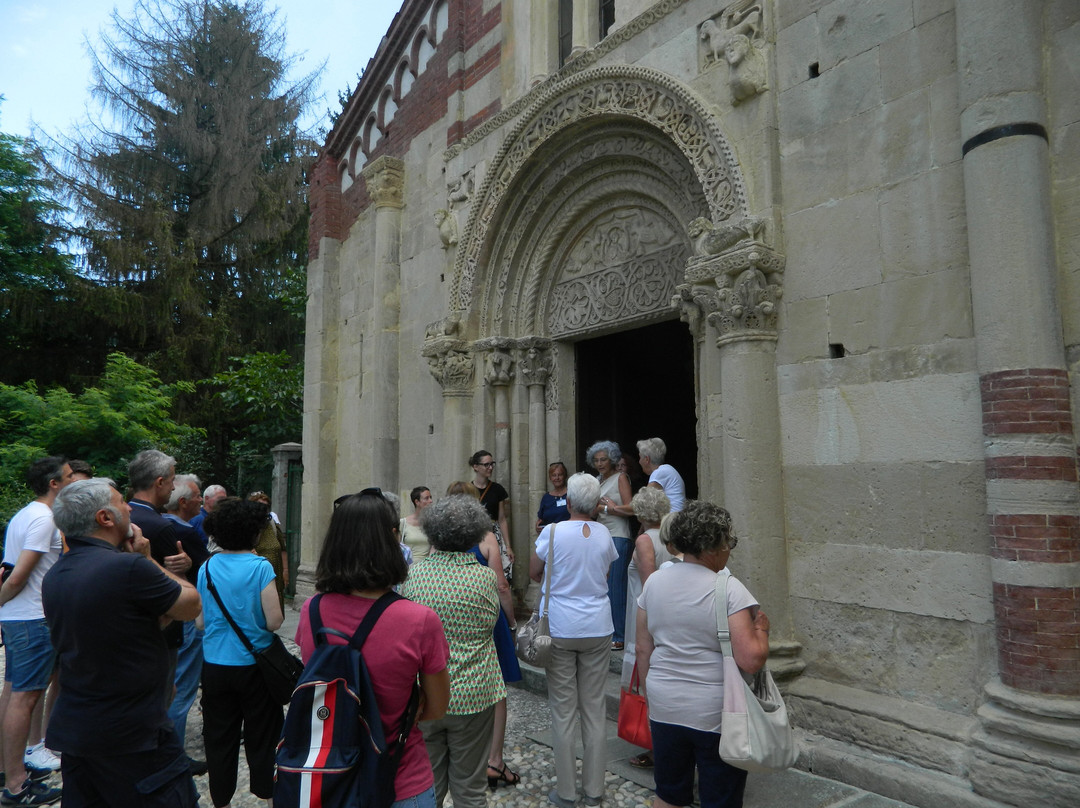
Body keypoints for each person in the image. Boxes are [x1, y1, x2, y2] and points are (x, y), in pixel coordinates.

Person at [43, 478, 201, 808]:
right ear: (105, 517)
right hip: (134, 736)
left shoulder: (56, 575)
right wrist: (146, 557)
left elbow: (130, 623)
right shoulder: (128, 568)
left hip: (78, 731)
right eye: (121, 502)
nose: (129, 507)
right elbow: (190, 605)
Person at [295, 489, 451, 808]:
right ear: (393, 539)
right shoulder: (419, 620)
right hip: (401, 778)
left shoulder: (311, 612)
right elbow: (437, 708)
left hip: (332, 778)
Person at [635, 501, 771, 808]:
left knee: (668, 794)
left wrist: (650, 693)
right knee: (720, 797)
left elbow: (643, 646)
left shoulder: (654, 582)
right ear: (713, 545)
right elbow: (751, 658)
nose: (730, 550)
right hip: (714, 712)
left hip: (665, 702)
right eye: (728, 542)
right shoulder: (729, 589)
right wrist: (762, 631)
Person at [402, 496, 505, 808]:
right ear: (474, 533)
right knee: (470, 789)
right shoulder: (484, 577)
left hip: (427, 693)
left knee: (428, 787)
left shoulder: (415, 576)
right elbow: (490, 624)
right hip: (474, 693)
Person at [529, 473, 618, 808]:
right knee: (594, 709)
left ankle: (566, 792)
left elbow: (534, 571)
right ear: (595, 504)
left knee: (563, 709)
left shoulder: (552, 532)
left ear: (567, 501)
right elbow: (605, 572)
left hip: (561, 627)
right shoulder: (604, 533)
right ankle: (594, 790)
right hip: (597, 624)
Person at [196, 498, 284, 808]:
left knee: (219, 737)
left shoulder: (206, 567)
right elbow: (274, 621)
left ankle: (221, 800)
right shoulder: (260, 567)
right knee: (264, 735)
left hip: (216, 665)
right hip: (254, 666)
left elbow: (200, 621)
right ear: (253, 533)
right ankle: (267, 792)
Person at [0, 457, 71, 805]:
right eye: (70, 476)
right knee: (24, 699)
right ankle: (16, 786)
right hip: (33, 617)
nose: (74, 480)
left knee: (13, 693)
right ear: (55, 483)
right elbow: (18, 574)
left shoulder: (24, 514)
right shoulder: (45, 519)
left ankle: (7, 769)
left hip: (19, 617)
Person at [162, 475, 211, 774]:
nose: (200, 501)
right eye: (196, 497)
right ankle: (173, 754)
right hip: (187, 617)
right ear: (182, 502)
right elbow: (205, 568)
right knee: (182, 686)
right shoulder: (183, 532)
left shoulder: (149, 526)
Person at [622, 487, 672, 769]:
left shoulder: (645, 539)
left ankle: (656, 748)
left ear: (640, 512)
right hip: (665, 615)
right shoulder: (670, 538)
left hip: (646, 617)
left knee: (648, 681)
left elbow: (649, 585)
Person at [589, 441, 633, 650]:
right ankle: (608, 631)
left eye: (603, 459)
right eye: (596, 460)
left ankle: (620, 635)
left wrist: (606, 508)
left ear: (612, 459)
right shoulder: (597, 481)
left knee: (616, 588)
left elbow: (632, 508)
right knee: (603, 588)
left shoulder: (620, 478)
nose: (599, 463)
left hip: (618, 535)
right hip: (601, 537)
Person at [469, 450, 513, 582]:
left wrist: (508, 546)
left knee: (497, 573)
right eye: (486, 465)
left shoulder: (497, 489)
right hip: (473, 535)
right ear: (476, 467)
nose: (490, 467)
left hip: (494, 533)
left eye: (492, 464)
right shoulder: (468, 489)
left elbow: (502, 519)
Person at [247, 491, 289, 610]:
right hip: (258, 578)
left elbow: (283, 549)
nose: (263, 509)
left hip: (276, 575)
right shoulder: (247, 526)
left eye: (266, 506)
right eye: (260, 506)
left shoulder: (272, 525)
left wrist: (285, 571)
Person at [636, 438, 686, 513]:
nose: (639, 461)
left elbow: (643, 503)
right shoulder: (667, 469)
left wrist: (614, 508)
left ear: (647, 459)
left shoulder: (659, 472)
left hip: (671, 520)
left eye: (640, 457)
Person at [535, 462, 570, 533]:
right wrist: (538, 526)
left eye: (560, 475)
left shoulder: (571, 494)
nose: (557, 478)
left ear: (565, 476)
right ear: (550, 478)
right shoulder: (546, 498)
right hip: (551, 537)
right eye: (554, 475)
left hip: (568, 534)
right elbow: (540, 520)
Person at [402, 486, 434, 562]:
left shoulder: (432, 524)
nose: (431, 501)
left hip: (426, 568)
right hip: (407, 567)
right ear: (417, 502)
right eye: (426, 498)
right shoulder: (403, 523)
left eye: (430, 497)